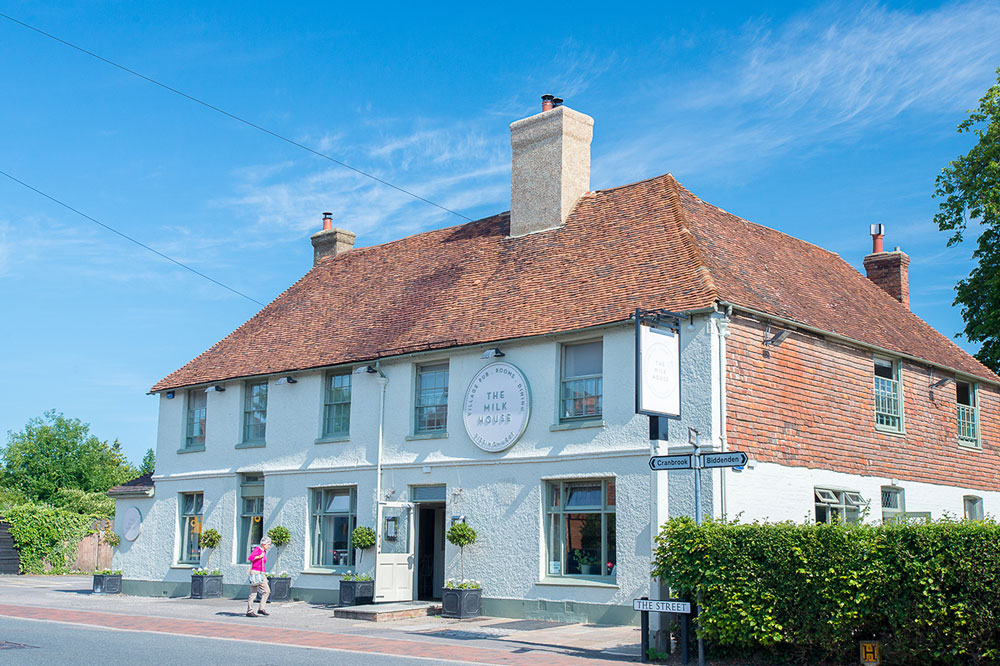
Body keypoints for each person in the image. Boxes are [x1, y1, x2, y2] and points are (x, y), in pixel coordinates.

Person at [246, 535, 272, 617]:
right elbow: (250, 558)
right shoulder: (257, 549)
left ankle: (261, 608)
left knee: (266, 591)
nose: (269, 546)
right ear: (264, 544)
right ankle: (249, 611)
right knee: (254, 592)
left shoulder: (264, 551)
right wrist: (259, 557)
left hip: (261, 573)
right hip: (255, 572)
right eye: (268, 544)